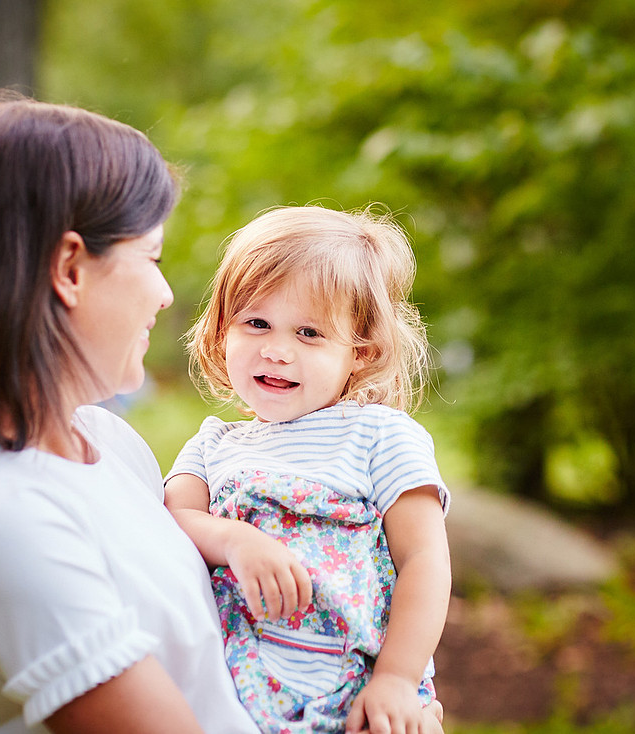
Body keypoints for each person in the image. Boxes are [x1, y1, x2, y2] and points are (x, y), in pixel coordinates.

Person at [0, 94, 446, 734]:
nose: (168, 292)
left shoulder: (103, 439)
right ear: (69, 269)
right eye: (150, 257)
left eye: (309, 334)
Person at [164, 205, 452, 734]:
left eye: (309, 334)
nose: (276, 351)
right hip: (242, 690)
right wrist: (234, 540)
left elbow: (425, 560)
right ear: (222, 329)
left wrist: (395, 678)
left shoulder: (379, 436)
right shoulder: (213, 445)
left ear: (359, 353)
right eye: (256, 323)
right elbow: (171, 519)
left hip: (358, 694)